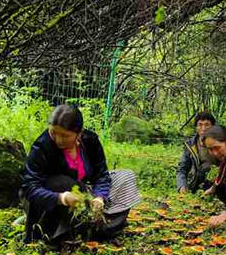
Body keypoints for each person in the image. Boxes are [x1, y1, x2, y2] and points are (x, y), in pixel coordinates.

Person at [21, 104, 141, 245]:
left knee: (126, 176)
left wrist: (99, 197)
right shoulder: (41, 147)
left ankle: (99, 225)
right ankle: (68, 232)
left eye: (65, 136)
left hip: (84, 194)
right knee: (61, 182)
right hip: (53, 199)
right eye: (53, 133)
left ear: (79, 133)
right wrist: (62, 198)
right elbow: (29, 188)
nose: (58, 139)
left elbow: (101, 175)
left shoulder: (90, 141)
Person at [176, 111, 217, 193]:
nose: (203, 128)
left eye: (207, 125)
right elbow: (182, 169)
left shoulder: (220, 144)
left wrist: (215, 187)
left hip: (217, 187)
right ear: (196, 127)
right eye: (200, 125)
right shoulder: (191, 145)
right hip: (196, 187)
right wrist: (182, 186)